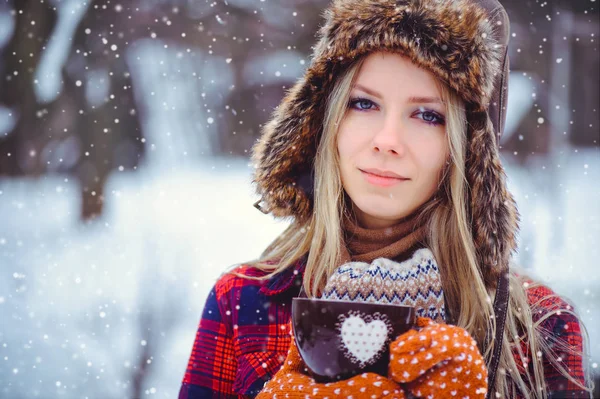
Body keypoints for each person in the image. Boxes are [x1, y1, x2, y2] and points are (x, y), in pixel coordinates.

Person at [178, 0, 593, 398]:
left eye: (427, 114)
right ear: (327, 122)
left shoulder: (539, 330)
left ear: (465, 150)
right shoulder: (244, 303)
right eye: (363, 104)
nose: (387, 141)